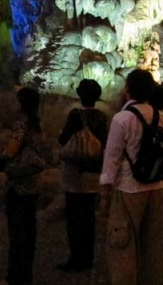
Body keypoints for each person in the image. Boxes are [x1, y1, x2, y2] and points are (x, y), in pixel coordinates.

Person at [100, 69, 163, 285]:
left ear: (127, 89)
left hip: (128, 188)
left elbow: (112, 158)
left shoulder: (122, 118)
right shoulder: (161, 117)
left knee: (122, 244)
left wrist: (105, 193)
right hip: (156, 187)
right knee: (152, 246)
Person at [57, 79, 108, 272]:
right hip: (94, 171)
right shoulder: (102, 117)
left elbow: (63, 138)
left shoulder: (75, 114)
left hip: (76, 172)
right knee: (88, 218)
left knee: (74, 217)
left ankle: (76, 258)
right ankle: (88, 257)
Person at [0, 87, 45, 285]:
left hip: (18, 185)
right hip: (34, 184)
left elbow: (11, 150)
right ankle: (26, 276)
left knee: (17, 234)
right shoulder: (38, 126)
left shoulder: (21, 125)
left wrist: (1, 157)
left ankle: (14, 278)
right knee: (29, 233)